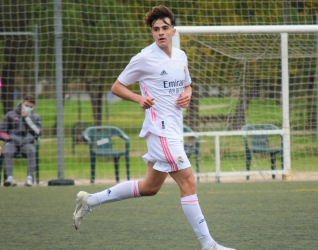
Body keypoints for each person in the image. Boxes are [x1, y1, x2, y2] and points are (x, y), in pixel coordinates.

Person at [72, 5, 236, 250]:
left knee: (150, 187)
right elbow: (117, 87)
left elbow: (187, 85)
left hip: (173, 130)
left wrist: (187, 94)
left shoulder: (181, 57)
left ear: (173, 31)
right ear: (152, 33)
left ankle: (90, 200)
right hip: (159, 130)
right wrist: (139, 99)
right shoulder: (144, 58)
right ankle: (209, 245)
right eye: (156, 29)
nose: (160, 32)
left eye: (165, 28)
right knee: (189, 182)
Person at [0, 94, 42, 187]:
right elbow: (1, 131)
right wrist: (9, 138)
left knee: (31, 151)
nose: (28, 108)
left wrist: (27, 118)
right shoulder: (10, 115)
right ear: (22, 103)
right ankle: (9, 178)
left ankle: (29, 179)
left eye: (31, 107)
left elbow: (38, 132)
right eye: (26, 106)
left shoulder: (35, 117)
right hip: (12, 143)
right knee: (6, 152)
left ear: (33, 107)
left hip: (27, 143)